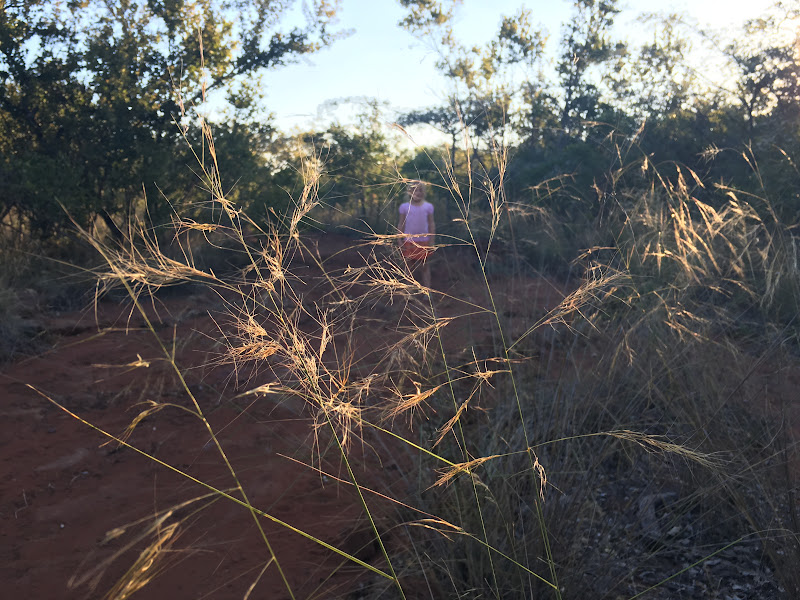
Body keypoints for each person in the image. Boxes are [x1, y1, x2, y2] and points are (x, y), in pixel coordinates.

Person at [398, 180, 435, 289]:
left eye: (420, 190)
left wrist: (432, 240)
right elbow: (401, 224)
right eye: (414, 190)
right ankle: (409, 292)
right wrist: (399, 240)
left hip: (424, 241)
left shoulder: (428, 207)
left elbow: (431, 224)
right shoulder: (404, 207)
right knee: (409, 266)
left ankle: (427, 291)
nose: (417, 192)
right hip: (408, 241)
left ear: (424, 192)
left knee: (425, 266)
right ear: (409, 192)